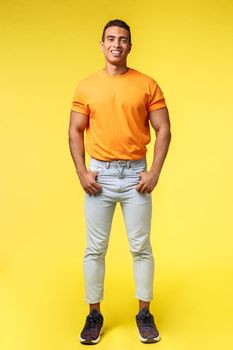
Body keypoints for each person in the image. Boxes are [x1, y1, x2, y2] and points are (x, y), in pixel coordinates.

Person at [68, 19, 171, 345]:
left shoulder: (147, 84)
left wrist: (153, 172)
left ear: (129, 45)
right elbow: (74, 131)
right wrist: (82, 172)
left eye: (123, 39)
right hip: (100, 176)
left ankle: (143, 313)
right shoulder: (86, 86)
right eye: (110, 39)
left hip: (134, 177)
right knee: (95, 249)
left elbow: (164, 129)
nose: (116, 44)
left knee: (140, 247)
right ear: (101, 45)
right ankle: (94, 314)